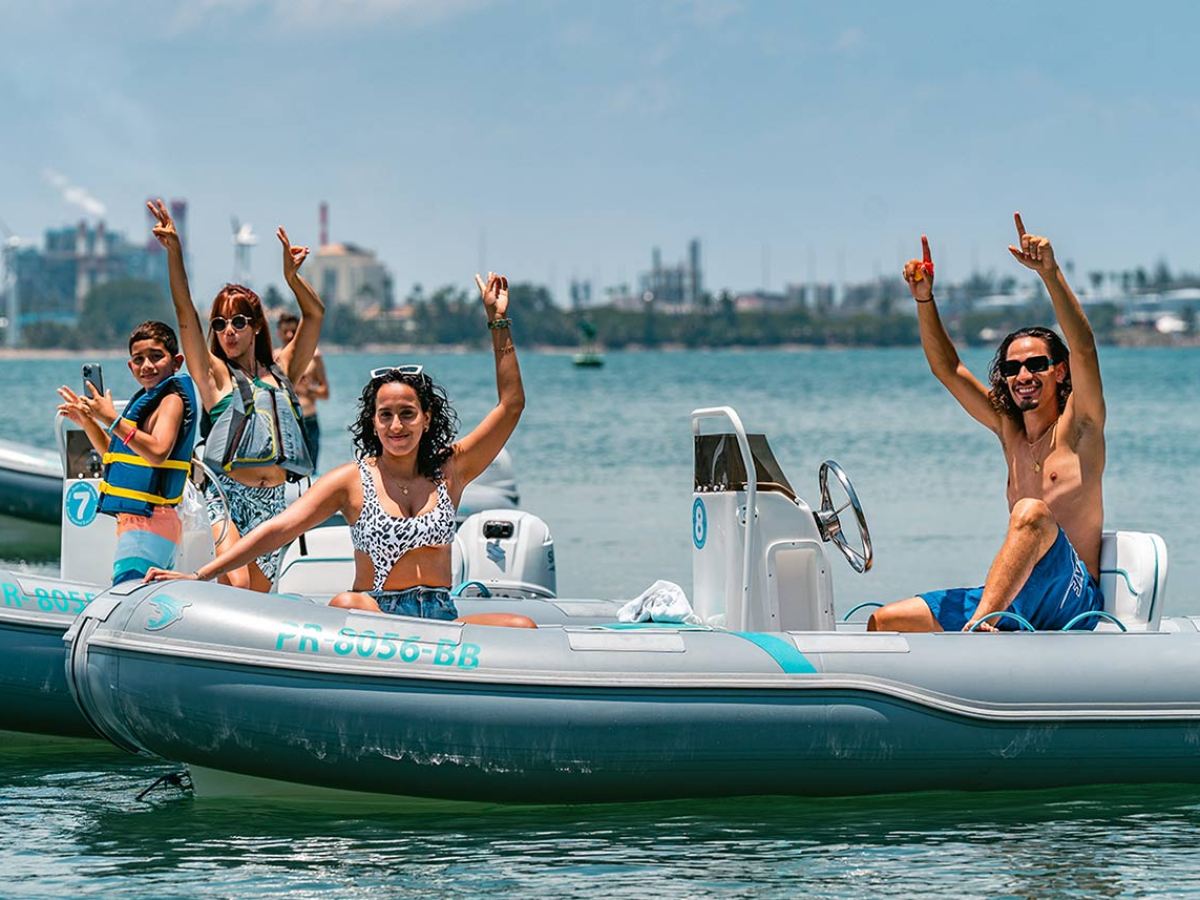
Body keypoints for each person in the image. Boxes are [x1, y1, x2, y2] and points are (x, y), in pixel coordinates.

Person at [148, 272, 530, 627]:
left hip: (441, 614)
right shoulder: (353, 480)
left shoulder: (451, 468)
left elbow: (511, 406)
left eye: (408, 414)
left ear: (426, 418)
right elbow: (279, 529)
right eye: (385, 415)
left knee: (522, 626)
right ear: (373, 422)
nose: (397, 426)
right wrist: (200, 575)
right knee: (347, 603)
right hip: (374, 612)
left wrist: (498, 322)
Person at [869, 213, 1106, 633]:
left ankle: (981, 627)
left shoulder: (1080, 426)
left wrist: (1049, 273)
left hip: (1073, 596)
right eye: (1013, 368)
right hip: (1020, 591)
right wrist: (924, 300)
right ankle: (982, 628)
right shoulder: (1009, 430)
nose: (1023, 375)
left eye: (1036, 364)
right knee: (886, 621)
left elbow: (1084, 348)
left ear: (1060, 371)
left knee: (1031, 511)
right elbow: (949, 369)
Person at [146, 199, 324, 591]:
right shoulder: (214, 375)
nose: (228, 330)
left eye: (239, 321)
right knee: (239, 584)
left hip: (273, 503)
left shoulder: (283, 370)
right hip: (227, 497)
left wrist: (293, 278)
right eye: (220, 323)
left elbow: (314, 315)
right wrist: (175, 254)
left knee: (255, 597)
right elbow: (184, 313)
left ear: (257, 326)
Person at [57, 321, 198, 584]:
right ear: (131, 366)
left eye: (156, 356)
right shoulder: (148, 402)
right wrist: (88, 421)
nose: (147, 365)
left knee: (127, 595)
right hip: (147, 525)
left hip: (149, 527)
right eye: (139, 359)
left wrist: (111, 418)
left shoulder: (171, 401)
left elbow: (158, 452)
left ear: (176, 362)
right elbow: (114, 457)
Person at [276, 311, 329, 471]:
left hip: (308, 420)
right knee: (284, 472)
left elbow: (325, 392)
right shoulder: (274, 358)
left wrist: (308, 389)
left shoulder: (314, 356)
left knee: (311, 471)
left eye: (293, 331)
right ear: (278, 333)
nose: (289, 335)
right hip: (284, 422)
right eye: (285, 331)